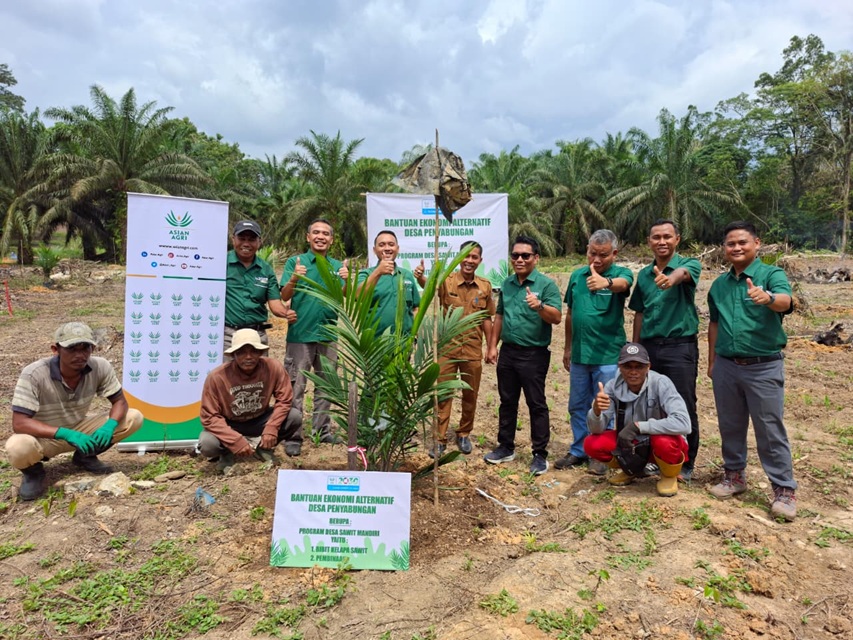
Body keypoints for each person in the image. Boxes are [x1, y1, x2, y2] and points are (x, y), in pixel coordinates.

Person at [707, 221, 797, 521]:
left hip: (763, 366)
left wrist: (768, 298)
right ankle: (734, 476)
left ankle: (783, 489)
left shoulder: (771, 275)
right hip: (727, 366)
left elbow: (786, 302)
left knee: (770, 429)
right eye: (730, 243)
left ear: (756, 243)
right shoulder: (719, 285)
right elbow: (715, 324)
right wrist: (712, 362)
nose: (736, 248)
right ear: (724, 248)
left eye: (742, 242)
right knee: (730, 424)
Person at [6, 322, 144, 500]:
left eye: (85, 348)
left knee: (133, 417)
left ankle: (85, 455)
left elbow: (120, 402)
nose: (80, 355)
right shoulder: (34, 374)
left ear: (92, 348)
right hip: (45, 437)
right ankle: (33, 473)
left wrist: (109, 425)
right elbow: (19, 423)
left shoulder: (100, 366)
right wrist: (64, 433)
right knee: (17, 447)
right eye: (72, 349)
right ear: (55, 349)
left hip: (80, 429)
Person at [629, 220, 701, 481]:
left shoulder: (689, 265)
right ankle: (654, 458)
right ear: (649, 241)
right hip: (649, 348)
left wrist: (670, 279)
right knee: (649, 404)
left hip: (679, 347)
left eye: (667, 237)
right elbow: (639, 311)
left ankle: (686, 462)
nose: (662, 241)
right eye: (656, 237)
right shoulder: (644, 276)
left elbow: (682, 275)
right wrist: (635, 349)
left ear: (677, 239)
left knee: (682, 402)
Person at [556, 229, 633, 474]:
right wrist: (568, 347)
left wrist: (606, 283)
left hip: (608, 356)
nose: (596, 260)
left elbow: (624, 284)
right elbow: (570, 314)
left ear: (614, 253)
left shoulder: (620, 274)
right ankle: (580, 449)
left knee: (605, 405)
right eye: (592, 254)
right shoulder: (577, 276)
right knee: (577, 405)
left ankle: (602, 453)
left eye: (602, 255)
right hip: (580, 355)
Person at [484, 236, 562, 475]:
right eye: (515, 255)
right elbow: (500, 315)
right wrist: (492, 345)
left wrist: (539, 306)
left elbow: (557, 317)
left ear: (535, 258)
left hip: (534, 354)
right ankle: (506, 446)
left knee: (536, 404)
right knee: (507, 401)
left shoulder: (546, 285)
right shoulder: (507, 284)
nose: (519, 259)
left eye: (525, 255)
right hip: (508, 352)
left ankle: (539, 454)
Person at [414, 241, 496, 458]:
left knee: (471, 394)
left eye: (474, 257)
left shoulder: (485, 286)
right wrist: (420, 277)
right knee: (443, 394)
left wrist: (491, 347)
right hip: (447, 349)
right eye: (466, 257)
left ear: (480, 260)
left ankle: (463, 434)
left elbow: (487, 318)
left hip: (472, 349)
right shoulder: (446, 281)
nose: (469, 261)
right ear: (459, 259)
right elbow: (430, 287)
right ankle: (439, 439)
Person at [584, 343, 690, 497]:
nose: (633, 372)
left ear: (648, 367)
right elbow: (596, 430)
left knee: (664, 442)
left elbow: (684, 423)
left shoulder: (661, 383)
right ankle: (631, 469)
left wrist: (639, 426)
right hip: (631, 445)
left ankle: (668, 475)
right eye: (628, 366)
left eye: (639, 366)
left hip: (659, 444)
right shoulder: (612, 387)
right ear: (620, 367)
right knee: (592, 443)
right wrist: (596, 411)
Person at [280, 219, 349, 451]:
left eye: (326, 233)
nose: (321, 236)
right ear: (308, 237)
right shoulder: (295, 262)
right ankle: (292, 436)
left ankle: (322, 430)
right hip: (301, 334)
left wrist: (347, 280)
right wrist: (294, 277)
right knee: (295, 387)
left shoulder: (337, 265)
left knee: (326, 385)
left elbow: (343, 296)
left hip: (328, 333)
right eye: (316, 232)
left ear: (332, 239)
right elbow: (284, 295)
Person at [199, 329, 303, 470]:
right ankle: (227, 453)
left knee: (294, 417)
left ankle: (263, 447)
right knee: (207, 444)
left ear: (260, 353)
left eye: (253, 351)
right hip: (230, 423)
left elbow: (284, 400)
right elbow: (209, 417)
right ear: (233, 355)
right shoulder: (217, 377)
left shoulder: (273, 367)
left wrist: (271, 427)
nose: (248, 357)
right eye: (241, 352)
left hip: (259, 419)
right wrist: (234, 440)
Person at [224, 220, 294, 352]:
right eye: (242, 238)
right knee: (228, 372)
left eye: (251, 239)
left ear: (259, 242)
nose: (246, 243)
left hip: (257, 336)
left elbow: (274, 304)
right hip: (227, 335)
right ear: (233, 239)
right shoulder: (221, 263)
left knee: (259, 373)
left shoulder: (266, 270)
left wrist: (286, 313)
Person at [357, 230, 420, 335]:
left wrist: (414, 333)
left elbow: (416, 307)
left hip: (403, 344)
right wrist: (378, 272)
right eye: (382, 245)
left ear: (397, 249)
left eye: (391, 244)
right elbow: (357, 295)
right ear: (374, 250)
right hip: (375, 345)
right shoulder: (366, 274)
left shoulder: (407, 275)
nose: (387, 248)